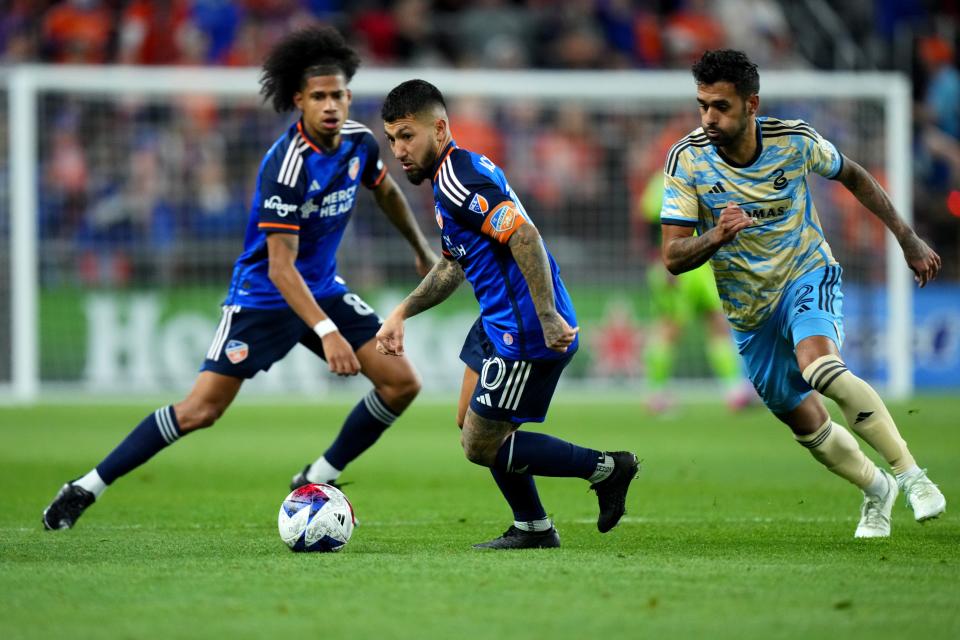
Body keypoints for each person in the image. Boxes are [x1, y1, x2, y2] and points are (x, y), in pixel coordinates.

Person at [42, 27, 438, 530]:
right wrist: (327, 331)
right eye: (319, 97)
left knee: (401, 383)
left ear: (349, 96)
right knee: (200, 410)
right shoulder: (287, 166)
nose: (331, 105)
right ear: (299, 101)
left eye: (338, 94)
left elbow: (385, 191)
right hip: (265, 299)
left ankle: (317, 475)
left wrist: (421, 248)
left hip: (322, 290)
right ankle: (85, 487)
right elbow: (279, 266)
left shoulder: (359, 143)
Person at [660, 49, 945, 538]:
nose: (709, 117)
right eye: (703, 105)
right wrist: (716, 237)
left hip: (805, 272)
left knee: (821, 367)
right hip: (748, 310)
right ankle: (877, 489)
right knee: (803, 423)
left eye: (720, 106)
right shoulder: (687, 160)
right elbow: (673, 257)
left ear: (752, 105)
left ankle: (912, 475)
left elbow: (853, 175)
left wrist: (907, 237)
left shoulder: (794, 142)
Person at [376, 79, 639, 550]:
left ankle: (608, 468)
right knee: (470, 420)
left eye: (407, 136)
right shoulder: (450, 179)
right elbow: (455, 265)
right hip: (497, 318)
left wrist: (547, 315)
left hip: (524, 328)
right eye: (392, 138)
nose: (398, 149)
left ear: (439, 128)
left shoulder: (460, 180)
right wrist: (402, 312)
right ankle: (533, 527)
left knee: (481, 445)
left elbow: (524, 235)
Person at [639, 171, 754, 413]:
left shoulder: (707, 178)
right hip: (674, 266)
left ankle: (734, 391)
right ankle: (655, 393)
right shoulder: (661, 184)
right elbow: (649, 228)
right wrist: (662, 264)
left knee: (717, 322)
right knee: (670, 328)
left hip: (704, 266)